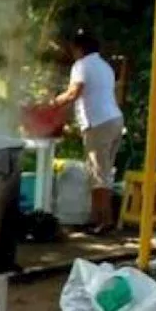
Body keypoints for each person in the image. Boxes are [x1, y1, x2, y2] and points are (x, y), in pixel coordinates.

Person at [45, 29, 124, 234]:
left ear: (79, 48)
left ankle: (103, 222)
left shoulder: (81, 65)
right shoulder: (105, 66)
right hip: (115, 120)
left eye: (73, 49)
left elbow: (74, 92)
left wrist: (51, 104)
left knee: (98, 175)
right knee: (103, 173)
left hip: (99, 123)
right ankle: (97, 218)